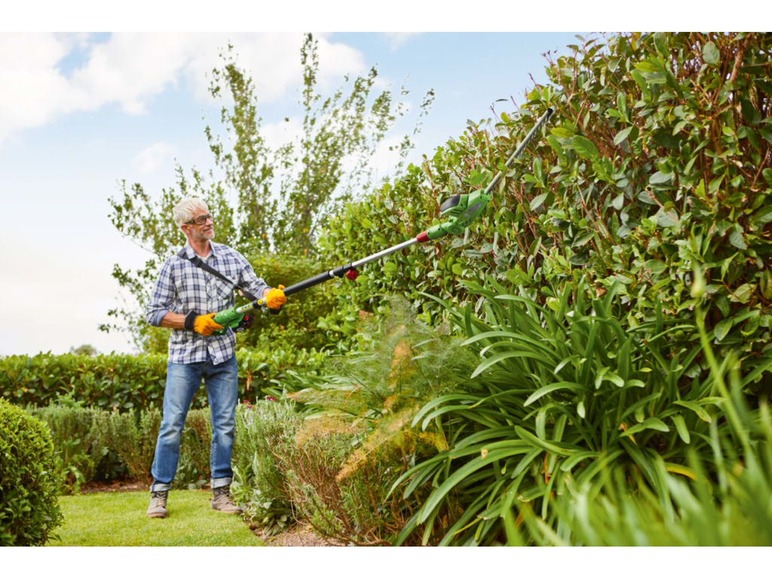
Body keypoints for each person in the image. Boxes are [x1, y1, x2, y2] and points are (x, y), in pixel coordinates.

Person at [144, 196, 286, 518]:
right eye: (201, 219)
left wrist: (270, 296)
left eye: (209, 216)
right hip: (184, 356)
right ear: (185, 228)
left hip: (223, 355)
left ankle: (221, 493)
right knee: (171, 425)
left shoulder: (231, 258)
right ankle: (159, 493)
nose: (209, 222)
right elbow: (153, 313)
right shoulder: (174, 265)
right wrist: (193, 321)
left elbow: (256, 287)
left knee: (225, 425)